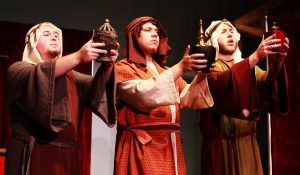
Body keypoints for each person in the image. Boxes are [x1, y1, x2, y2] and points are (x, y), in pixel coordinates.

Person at [4, 22, 118, 175]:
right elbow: (42, 73)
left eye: (57, 35)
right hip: (35, 153)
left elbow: (96, 88)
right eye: (46, 34)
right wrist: (79, 56)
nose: (54, 37)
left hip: (66, 157)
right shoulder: (18, 70)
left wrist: (108, 64)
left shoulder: (70, 76)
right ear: (32, 42)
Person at [113, 16, 214, 175]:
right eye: (148, 30)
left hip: (170, 143)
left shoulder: (164, 70)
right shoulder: (123, 68)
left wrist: (202, 75)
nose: (155, 34)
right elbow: (143, 95)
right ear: (134, 36)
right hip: (143, 146)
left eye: (157, 32)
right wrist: (180, 68)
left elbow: (188, 98)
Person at [198, 19, 289, 175]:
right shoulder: (208, 68)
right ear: (214, 39)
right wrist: (257, 55)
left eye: (232, 31)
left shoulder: (250, 68)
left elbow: (270, 92)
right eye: (224, 31)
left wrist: (278, 63)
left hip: (247, 146)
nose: (230, 34)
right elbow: (220, 85)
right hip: (220, 150)